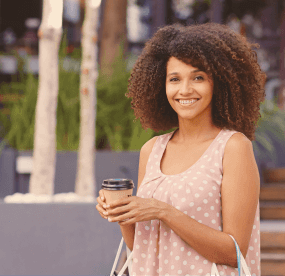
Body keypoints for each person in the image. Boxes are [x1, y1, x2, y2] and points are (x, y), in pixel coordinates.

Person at [96, 23, 265, 276]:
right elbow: (142, 248)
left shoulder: (233, 147)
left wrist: (163, 211)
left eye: (198, 77)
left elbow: (234, 252)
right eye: (174, 79)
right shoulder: (152, 150)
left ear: (219, 82)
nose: (185, 90)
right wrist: (123, 213)